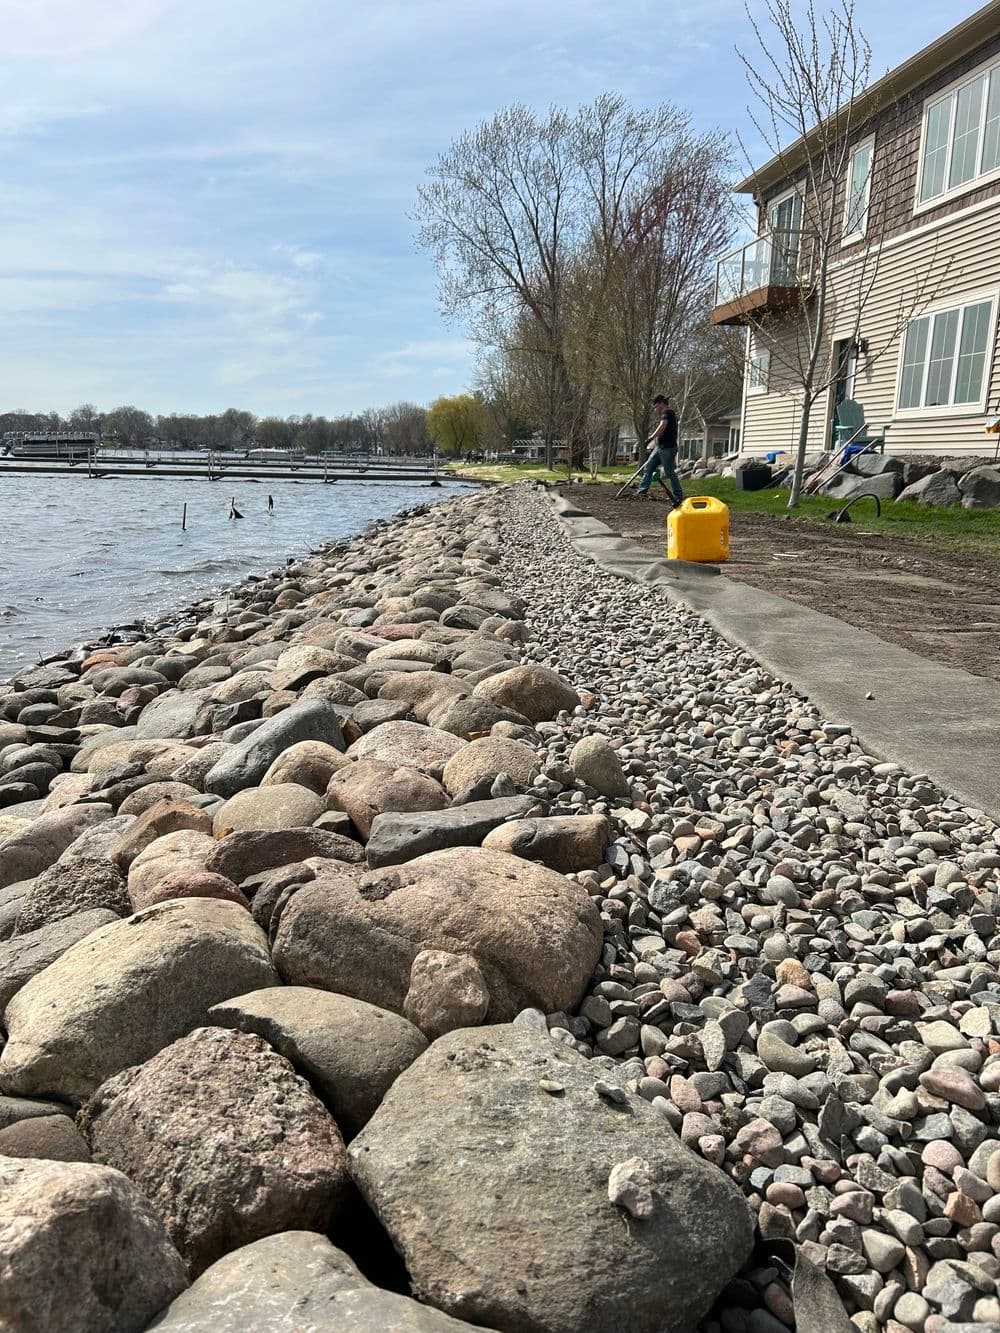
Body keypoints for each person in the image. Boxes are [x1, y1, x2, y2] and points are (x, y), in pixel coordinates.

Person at [636, 394, 683, 503]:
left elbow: (663, 426)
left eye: (656, 406)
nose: (655, 409)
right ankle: (642, 491)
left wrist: (650, 439)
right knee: (648, 467)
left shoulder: (667, 413)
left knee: (669, 472)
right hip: (659, 448)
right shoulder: (665, 413)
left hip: (668, 448)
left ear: (661, 403)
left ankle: (678, 495)